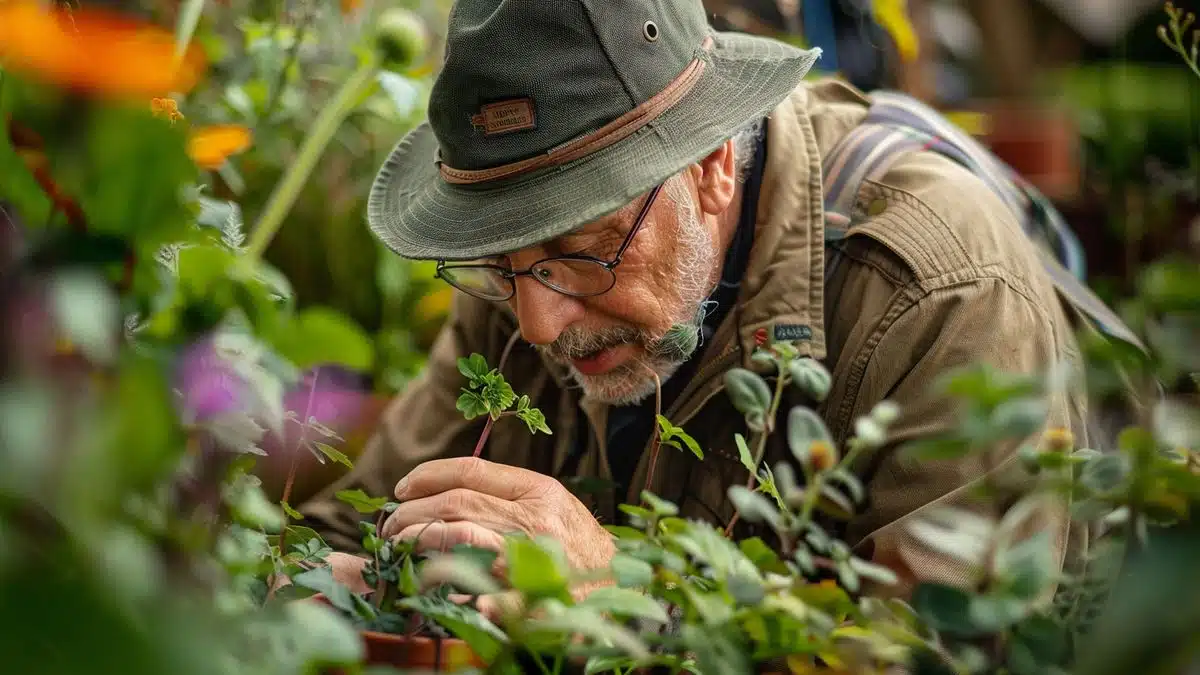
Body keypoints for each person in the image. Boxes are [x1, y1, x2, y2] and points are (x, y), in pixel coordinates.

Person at [298, 0, 1126, 600]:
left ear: (713, 166)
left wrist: (622, 596)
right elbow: (352, 528)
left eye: (582, 252)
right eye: (500, 262)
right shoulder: (530, 272)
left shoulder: (940, 294)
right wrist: (339, 586)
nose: (536, 322)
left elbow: (941, 649)